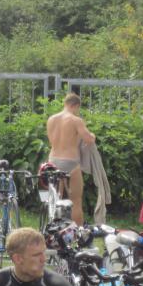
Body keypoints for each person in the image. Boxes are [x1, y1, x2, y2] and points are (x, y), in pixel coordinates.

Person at [47, 93, 96, 225]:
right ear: (76, 106)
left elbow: (52, 141)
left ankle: (53, 228)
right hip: (70, 162)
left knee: (55, 199)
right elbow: (88, 139)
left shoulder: (51, 119)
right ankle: (79, 230)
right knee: (76, 201)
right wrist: (93, 135)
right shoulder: (75, 120)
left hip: (53, 160)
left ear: (65, 103)